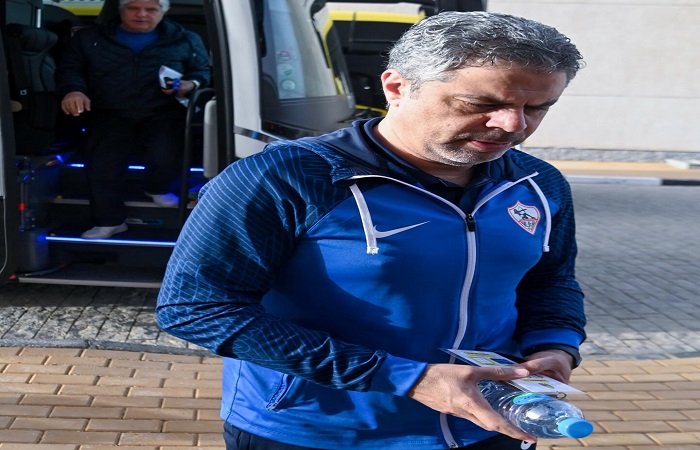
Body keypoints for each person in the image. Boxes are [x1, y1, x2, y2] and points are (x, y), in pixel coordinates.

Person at [156, 10, 586, 450]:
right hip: (320, 433)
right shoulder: (284, 177)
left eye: (537, 108)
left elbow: (550, 280)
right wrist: (407, 378)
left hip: (492, 425)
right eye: (480, 104)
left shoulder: (538, 182)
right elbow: (196, 308)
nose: (514, 125)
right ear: (397, 87)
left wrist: (554, 346)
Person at [55, 0, 210, 239]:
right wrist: (73, 90)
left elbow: (202, 71)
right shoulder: (90, 38)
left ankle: (158, 188)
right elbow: (70, 68)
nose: (142, 14)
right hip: (108, 111)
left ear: (163, 12)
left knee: (166, 155)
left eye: (151, 9)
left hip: (163, 111)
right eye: (133, 8)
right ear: (121, 10)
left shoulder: (185, 39)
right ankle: (110, 221)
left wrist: (190, 84)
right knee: (103, 168)